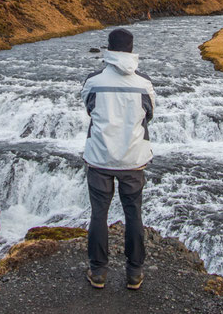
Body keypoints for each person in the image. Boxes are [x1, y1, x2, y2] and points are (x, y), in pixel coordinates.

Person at [81, 27, 155, 290]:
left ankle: (98, 272)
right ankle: (134, 273)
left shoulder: (94, 80)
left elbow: (89, 109)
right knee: (133, 213)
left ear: (108, 49)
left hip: (100, 157)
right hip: (133, 159)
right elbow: (149, 114)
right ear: (132, 49)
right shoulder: (144, 83)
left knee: (99, 214)